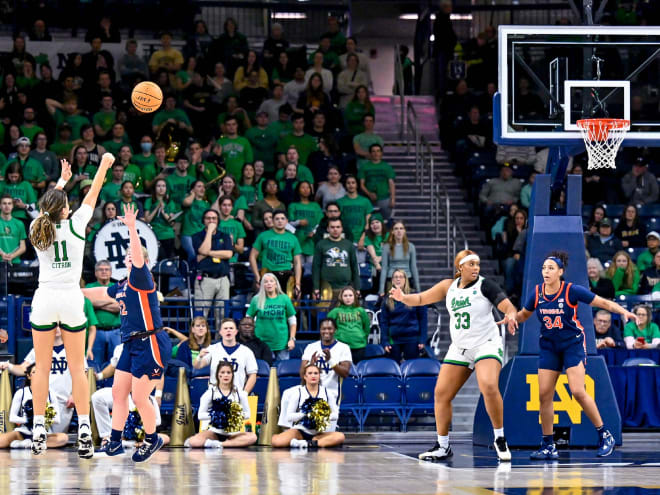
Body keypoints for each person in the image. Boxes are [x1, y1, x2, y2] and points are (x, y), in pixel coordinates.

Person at [390, 249, 517, 462]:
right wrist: (403, 298)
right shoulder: (447, 286)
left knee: (488, 385)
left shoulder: (485, 285)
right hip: (460, 347)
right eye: (471, 264)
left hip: (486, 343)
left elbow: (506, 304)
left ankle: (499, 438)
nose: (476, 268)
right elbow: (421, 298)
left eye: (477, 264)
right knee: (441, 393)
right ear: (460, 267)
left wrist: (511, 314)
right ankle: (443, 446)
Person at [27, 153, 114, 457]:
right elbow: (94, 191)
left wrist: (62, 182)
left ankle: (39, 425)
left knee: (42, 367)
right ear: (65, 209)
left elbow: (46, 208)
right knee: (78, 368)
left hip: (45, 298)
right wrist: (103, 164)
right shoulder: (77, 223)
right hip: (70, 299)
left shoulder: (37, 228)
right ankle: (85, 429)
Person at [515, 251, 638, 459]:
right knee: (544, 395)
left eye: (551, 268)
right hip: (549, 347)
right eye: (544, 268)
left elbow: (604, 303)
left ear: (560, 272)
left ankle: (604, 435)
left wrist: (623, 312)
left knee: (577, 391)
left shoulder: (571, 290)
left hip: (572, 345)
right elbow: (524, 315)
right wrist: (511, 319)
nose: (546, 271)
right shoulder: (536, 293)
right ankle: (548, 445)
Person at [81, 204, 172, 462]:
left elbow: (138, 257)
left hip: (151, 341)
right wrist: (68, 291)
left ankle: (152, 439)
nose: (129, 259)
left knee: (139, 396)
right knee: (118, 392)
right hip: (131, 343)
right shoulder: (122, 285)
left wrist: (132, 227)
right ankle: (114, 442)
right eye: (128, 257)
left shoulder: (142, 278)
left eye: (133, 256)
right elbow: (97, 293)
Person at [0, 326, 82, 434]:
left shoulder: (74, 349)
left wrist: (75, 394)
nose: (57, 329)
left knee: (56, 438)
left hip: (63, 401)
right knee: (35, 433)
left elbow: (81, 375)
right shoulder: (39, 349)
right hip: (40, 399)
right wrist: (8, 366)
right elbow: (23, 369)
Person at [272, 363, 344, 449]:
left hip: (320, 433)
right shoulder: (298, 393)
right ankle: (311, 443)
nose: (313, 376)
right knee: (276, 441)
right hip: (300, 431)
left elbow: (335, 415)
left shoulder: (327, 393)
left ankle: (307, 444)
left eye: (316, 373)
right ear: (305, 377)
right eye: (310, 373)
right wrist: (306, 414)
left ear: (319, 376)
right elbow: (289, 416)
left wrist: (321, 415)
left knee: (340, 436)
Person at [185, 362, 256, 449]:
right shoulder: (210, 393)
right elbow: (200, 415)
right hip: (214, 432)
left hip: (233, 433)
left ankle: (219, 444)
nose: (225, 375)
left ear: (232, 375)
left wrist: (232, 415)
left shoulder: (240, 393)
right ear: (218, 375)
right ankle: (225, 443)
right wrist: (216, 415)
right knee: (193, 441)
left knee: (253, 437)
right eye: (222, 372)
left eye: (228, 372)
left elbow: (248, 414)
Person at [0, 364, 68, 450]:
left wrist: (41, 419)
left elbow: (57, 419)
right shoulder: (21, 393)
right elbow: (12, 417)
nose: (38, 375)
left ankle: (28, 444)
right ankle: (32, 444)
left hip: (44, 433)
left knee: (63, 438)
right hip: (23, 431)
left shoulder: (51, 394)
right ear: (29, 376)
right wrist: (28, 419)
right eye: (34, 372)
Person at [194, 318, 258, 393]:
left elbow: (252, 375)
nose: (228, 330)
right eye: (225, 328)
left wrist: (244, 394)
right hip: (215, 395)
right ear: (220, 332)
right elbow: (197, 366)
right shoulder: (212, 349)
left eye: (231, 328)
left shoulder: (246, 351)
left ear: (236, 332)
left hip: (236, 395)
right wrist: (199, 357)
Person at [192, 208, 234, 322]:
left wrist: (208, 253)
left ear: (218, 220)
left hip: (223, 279)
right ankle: (200, 339)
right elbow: (203, 249)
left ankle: (220, 339)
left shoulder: (224, 236)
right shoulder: (197, 236)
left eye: (214, 218)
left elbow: (229, 253)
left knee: (222, 315)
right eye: (208, 218)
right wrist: (210, 232)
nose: (211, 221)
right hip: (205, 279)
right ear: (203, 220)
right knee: (201, 315)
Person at [246, 273, 297, 360]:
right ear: (262, 285)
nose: (269, 283)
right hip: (261, 343)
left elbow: (292, 320)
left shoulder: (284, 298)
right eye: (266, 282)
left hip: (281, 343)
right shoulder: (256, 299)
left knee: (282, 371)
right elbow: (248, 319)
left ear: (276, 284)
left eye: (271, 281)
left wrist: (292, 339)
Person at [250, 210, 302, 294]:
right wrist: (257, 276)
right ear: (273, 221)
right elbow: (252, 256)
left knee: (286, 304)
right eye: (277, 219)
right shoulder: (263, 236)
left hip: (286, 275)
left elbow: (297, 262)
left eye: (282, 218)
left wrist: (298, 283)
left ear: (286, 221)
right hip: (268, 274)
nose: (280, 221)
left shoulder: (293, 238)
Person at [380, 270, 427, 362]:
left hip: (412, 339)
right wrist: (385, 341)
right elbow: (384, 322)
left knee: (412, 368)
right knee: (393, 369)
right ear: (392, 281)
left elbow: (423, 319)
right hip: (393, 340)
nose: (398, 279)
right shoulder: (387, 299)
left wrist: (422, 339)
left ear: (406, 280)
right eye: (395, 277)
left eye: (401, 277)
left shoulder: (415, 296)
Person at [301, 318, 352, 397]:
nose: (327, 331)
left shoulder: (344, 348)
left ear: (335, 330)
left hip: (332, 394)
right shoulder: (310, 347)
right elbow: (302, 373)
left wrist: (330, 361)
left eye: (330, 329)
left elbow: (345, 373)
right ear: (320, 330)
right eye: (324, 329)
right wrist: (311, 364)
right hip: (311, 393)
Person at [313, 218, 360, 299]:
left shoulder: (348, 245)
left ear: (342, 228)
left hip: (346, 288)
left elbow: (354, 267)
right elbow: (316, 267)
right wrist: (316, 287)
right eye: (332, 227)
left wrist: (357, 288)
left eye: (338, 227)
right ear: (328, 229)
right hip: (325, 288)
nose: (335, 229)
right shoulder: (321, 244)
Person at [86, 260, 122, 366]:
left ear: (111, 272)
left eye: (107, 269)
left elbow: (118, 307)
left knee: (116, 363)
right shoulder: (89, 287)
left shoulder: (118, 286)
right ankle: (96, 383)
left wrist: (97, 303)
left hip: (115, 331)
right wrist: (111, 301)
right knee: (95, 363)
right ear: (95, 273)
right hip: (96, 332)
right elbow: (89, 303)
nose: (104, 272)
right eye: (101, 270)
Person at [327, 286, 371, 363]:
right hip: (341, 346)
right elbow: (327, 326)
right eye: (345, 296)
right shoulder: (335, 311)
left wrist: (362, 336)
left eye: (350, 295)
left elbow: (366, 327)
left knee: (357, 372)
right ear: (341, 297)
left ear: (354, 297)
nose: (348, 298)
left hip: (359, 346)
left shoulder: (361, 310)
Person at [380, 221, 420, 295]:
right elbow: (384, 268)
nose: (399, 231)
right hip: (391, 279)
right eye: (396, 229)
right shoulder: (386, 247)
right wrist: (381, 290)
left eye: (401, 228)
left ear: (404, 231)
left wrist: (418, 288)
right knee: (392, 304)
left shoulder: (411, 246)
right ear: (392, 231)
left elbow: (413, 267)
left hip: (407, 279)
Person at [358, 144, 396, 220]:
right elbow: (361, 185)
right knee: (369, 220)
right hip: (368, 199)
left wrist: (393, 198)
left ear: (381, 153)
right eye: (373, 151)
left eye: (378, 151)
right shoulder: (364, 167)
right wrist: (369, 194)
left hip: (384, 198)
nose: (376, 153)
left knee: (386, 221)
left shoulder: (387, 167)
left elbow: (391, 183)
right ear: (370, 153)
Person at [0, 194, 27, 264]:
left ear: (12, 206)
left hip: (15, 262)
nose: (7, 206)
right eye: (4, 203)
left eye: (9, 203)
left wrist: (12, 256)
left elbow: (23, 247)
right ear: (0, 206)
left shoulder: (19, 224)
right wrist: (2, 254)